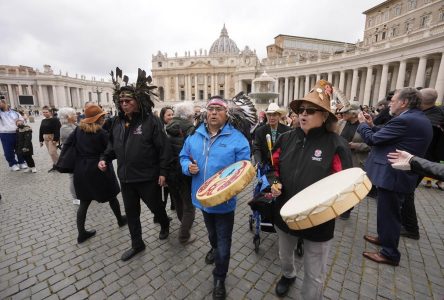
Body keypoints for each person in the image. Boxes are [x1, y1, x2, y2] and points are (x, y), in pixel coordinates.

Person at [270, 80, 352, 299]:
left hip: (319, 221)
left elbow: (345, 184)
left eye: (310, 110)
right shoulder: (286, 138)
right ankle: (288, 275)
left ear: (325, 115)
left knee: (314, 274)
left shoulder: (337, 144)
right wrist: (273, 182)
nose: (303, 114)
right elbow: (273, 168)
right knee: (284, 256)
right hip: (284, 213)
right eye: (301, 110)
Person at [179, 96, 250, 300]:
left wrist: (231, 186)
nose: (214, 113)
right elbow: (183, 156)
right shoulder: (194, 135)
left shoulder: (238, 139)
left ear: (226, 114)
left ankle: (219, 277)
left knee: (224, 240)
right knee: (212, 235)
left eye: (219, 109)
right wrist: (187, 167)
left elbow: (244, 168)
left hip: (224, 202)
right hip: (202, 199)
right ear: (205, 113)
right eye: (211, 109)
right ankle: (213, 247)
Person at [98, 68, 170, 262]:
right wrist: (105, 158)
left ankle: (164, 224)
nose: (124, 104)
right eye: (121, 102)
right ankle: (137, 244)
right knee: (131, 213)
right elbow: (112, 146)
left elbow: (163, 148)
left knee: (156, 208)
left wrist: (163, 172)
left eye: (127, 101)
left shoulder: (151, 121)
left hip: (148, 177)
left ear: (137, 101)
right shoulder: (117, 123)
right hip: (126, 178)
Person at [357, 87, 432, 266]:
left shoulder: (405, 120)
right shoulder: (414, 118)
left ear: (404, 102)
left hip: (394, 175)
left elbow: (373, 140)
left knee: (389, 214)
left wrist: (361, 125)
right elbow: (386, 135)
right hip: (399, 173)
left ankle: (390, 253)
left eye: (394, 99)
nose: (390, 102)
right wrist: (372, 125)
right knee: (387, 212)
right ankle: (384, 238)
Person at [63, 105, 127, 244]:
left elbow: (68, 145)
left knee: (84, 202)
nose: (104, 119)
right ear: (97, 118)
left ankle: (81, 233)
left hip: (81, 169)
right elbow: (111, 150)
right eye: (102, 117)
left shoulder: (78, 131)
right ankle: (120, 220)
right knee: (111, 196)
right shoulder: (101, 133)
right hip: (99, 168)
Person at [165, 102, 196, 244]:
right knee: (189, 205)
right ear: (189, 116)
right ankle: (184, 235)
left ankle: (183, 222)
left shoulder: (168, 127)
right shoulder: (190, 128)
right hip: (184, 170)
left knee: (177, 200)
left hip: (170, 171)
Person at [336, 103, 370, 219]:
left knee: (350, 187)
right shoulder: (341, 123)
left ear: (354, 114)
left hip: (355, 160)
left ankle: (347, 209)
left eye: (345, 112)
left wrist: (355, 145)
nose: (342, 114)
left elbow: (371, 144)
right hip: (339, 158)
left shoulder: (365, 125)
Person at [253, 103, 290, 169]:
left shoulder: (287, 131)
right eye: (269, 115)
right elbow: (256, 148)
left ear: (279, 116)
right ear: (266, 116)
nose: (271, 117)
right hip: (265, 167)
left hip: (282, 167)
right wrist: (258, 162)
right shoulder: (260, 131)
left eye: (274, 115)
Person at [58, 107, 80, 205]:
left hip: (78, 154)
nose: (76, 115)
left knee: (79, 176)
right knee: (73, 176)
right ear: (68, 117)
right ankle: (75, 198)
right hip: (71, 156)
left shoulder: (74, 124)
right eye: (74, 114)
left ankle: (82, 193)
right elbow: (79, 137)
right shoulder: (65, 128)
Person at [0, 98, 27, 171]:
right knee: (8, 150)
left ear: (4, 103)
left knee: (20, 148)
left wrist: (20, 122)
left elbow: (21, 119)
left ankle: (22, 162)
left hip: (17, 133)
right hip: (5, 134)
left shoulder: (15, 112)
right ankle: (13, 164)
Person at [159, 106, 175, 212]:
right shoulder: (160, 129)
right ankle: (160, 215)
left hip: (171, 164)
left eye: (172, 114)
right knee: (163, 191)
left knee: (172, 188)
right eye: (169, 115)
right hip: (163, 165)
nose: (171, 117)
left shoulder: (172, 127)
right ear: (162, 116)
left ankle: (173, 205)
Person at [39, 106, 61, 172]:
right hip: (45, 138)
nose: (45, 113)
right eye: (43, 112)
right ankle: (55, 165)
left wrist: (55, 139)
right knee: (50, 152)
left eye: (46, 112)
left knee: (52, 152)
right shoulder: (43, 120)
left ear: (50, 112)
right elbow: (41, 130)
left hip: (52, 137)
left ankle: (59, 165)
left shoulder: (55, 120)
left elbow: (57, 130)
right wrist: (41, 140)